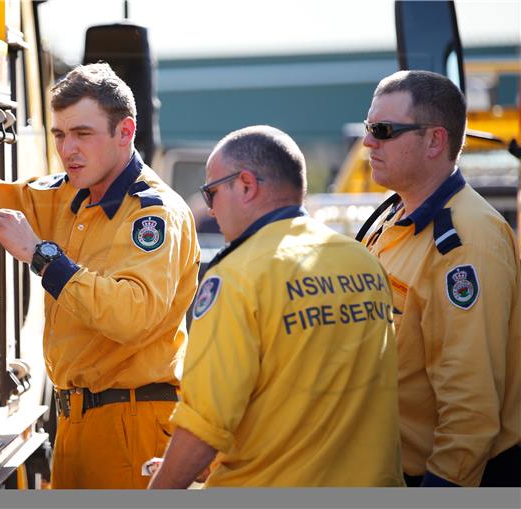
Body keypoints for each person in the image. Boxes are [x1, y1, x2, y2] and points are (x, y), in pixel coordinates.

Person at [0, 63, 200, 489]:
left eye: (83, 134)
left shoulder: (152, 214)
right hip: (77, 421)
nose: (68, 149)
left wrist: (42, 257)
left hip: (130, 425)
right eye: (60, 135)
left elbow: (130, 315)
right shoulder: (68, 195)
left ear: (126, 131)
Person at [148, 125, 404, 488]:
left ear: (247, 185)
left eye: (211, 193)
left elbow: (203, 426)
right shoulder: (362, 262)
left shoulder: (236, 276)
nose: (210, 209)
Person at [356, 70, 520, 487]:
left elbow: (471, 409)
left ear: (435, 140)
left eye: (384, 130)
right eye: (368, 128)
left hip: (447, 477)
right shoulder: (393, 218)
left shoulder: (466, 241)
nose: (368, 142)